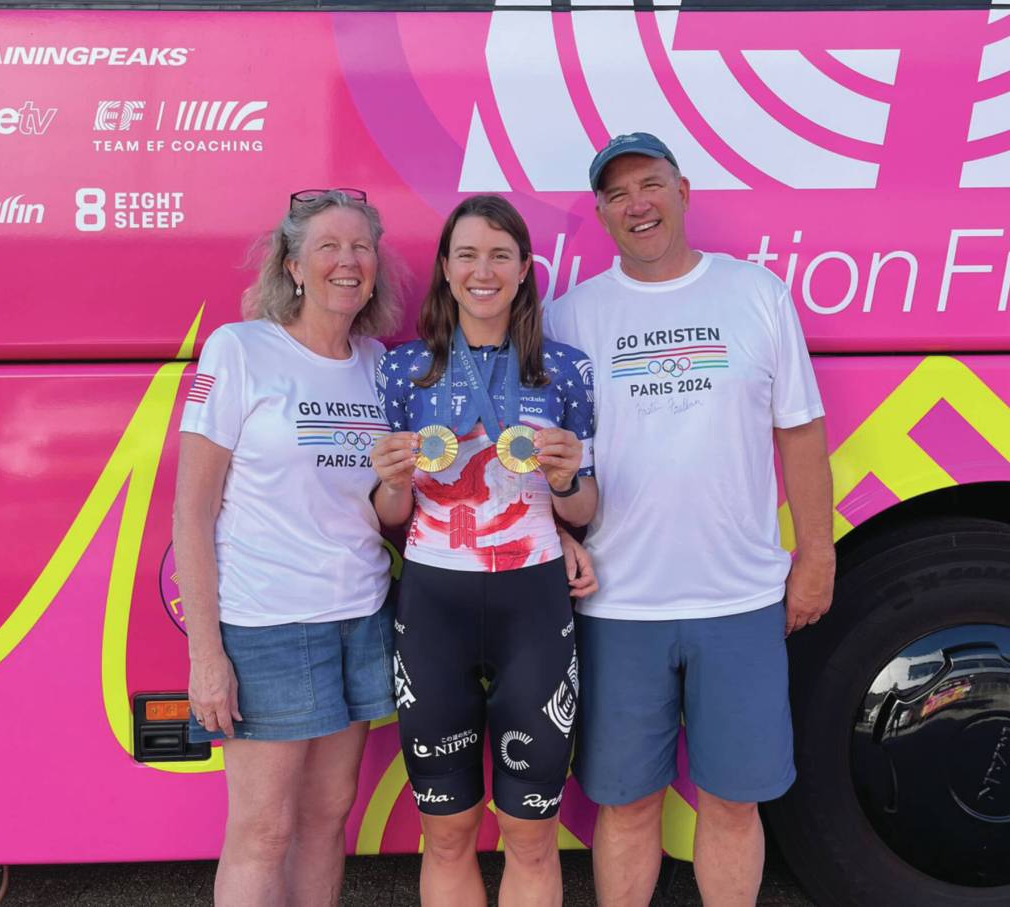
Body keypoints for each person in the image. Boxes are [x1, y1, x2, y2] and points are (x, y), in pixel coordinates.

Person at [544, 134, 836, 907]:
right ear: (603, 214)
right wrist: (563, 539)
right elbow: (546, 459)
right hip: (616, 604)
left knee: (735, 803)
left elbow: (799, 431)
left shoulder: (756, 294)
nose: (637, 203)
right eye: (617, 194)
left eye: (651, 183)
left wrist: (817, 556)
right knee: (628, 804)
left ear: (683, 189)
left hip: (738, 602)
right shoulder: (569, 316)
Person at [173, 188, 401, 907]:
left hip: (360, 617)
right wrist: (206, 654)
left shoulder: (376, 364)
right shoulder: (239, 350)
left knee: (328, 818)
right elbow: (191, 511)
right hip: (266, 625)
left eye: (361, 247)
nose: (348, 261)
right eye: (328, 247)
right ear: (293, 264)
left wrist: (404, 483)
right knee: (263, 831)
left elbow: (381, 510)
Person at [370, 194, 598, 907]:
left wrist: (564, 484)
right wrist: (393, 483)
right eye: (467, 254)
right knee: (446, 829)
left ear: (526, 268)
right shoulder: (403, 371)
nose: (483, 270)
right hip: (434, 605)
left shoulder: (565, 371)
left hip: (533, 604)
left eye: (500, 254)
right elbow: (388, 518)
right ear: (444, 268)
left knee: (530, 833)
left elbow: (586, 507)